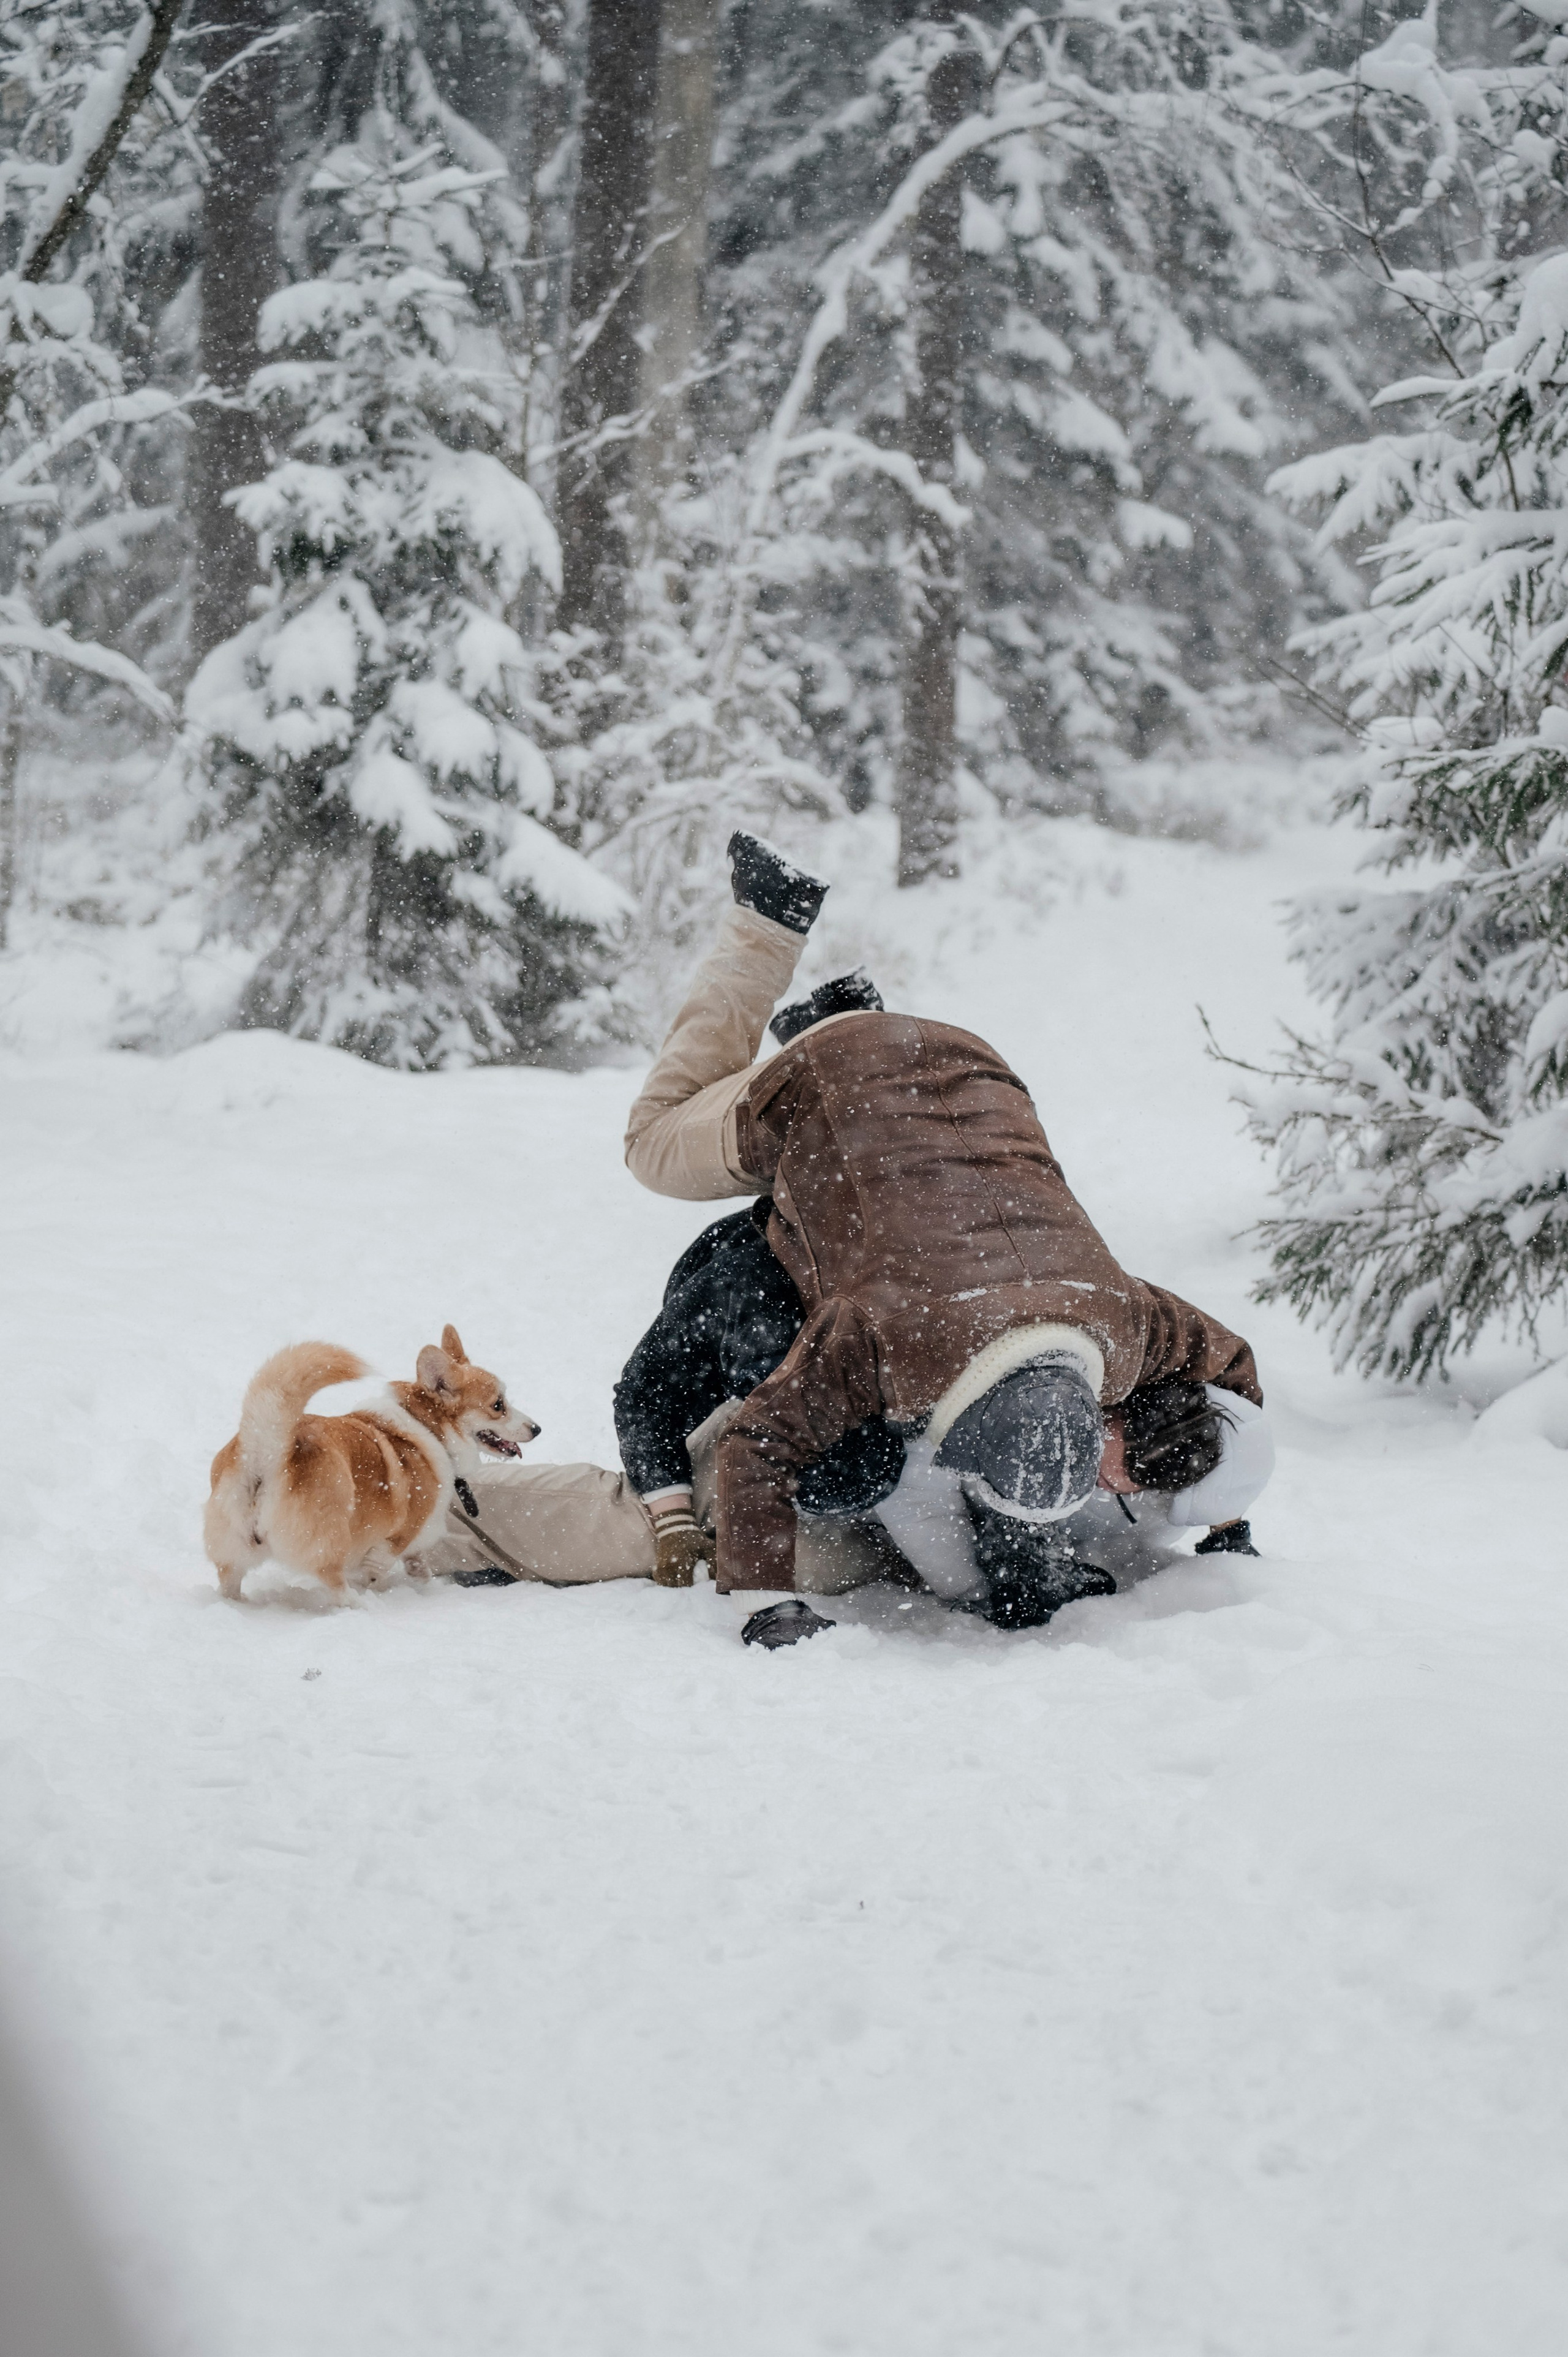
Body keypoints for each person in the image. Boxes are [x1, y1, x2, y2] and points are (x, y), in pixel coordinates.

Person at [616, 831, 1271, 1639]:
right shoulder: (887, 1339)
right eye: (1122, 1477)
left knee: (886, 1195)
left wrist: (1225, 1516)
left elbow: (1231, 1363)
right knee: (653, 1142)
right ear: (1113, 1421)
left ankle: (852, 1023)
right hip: (828, 1087)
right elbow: (761, 1444)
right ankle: (770, 926)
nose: (1118, 1493)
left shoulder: (1122, 1322)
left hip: (971, 1068)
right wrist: (768, 1602)